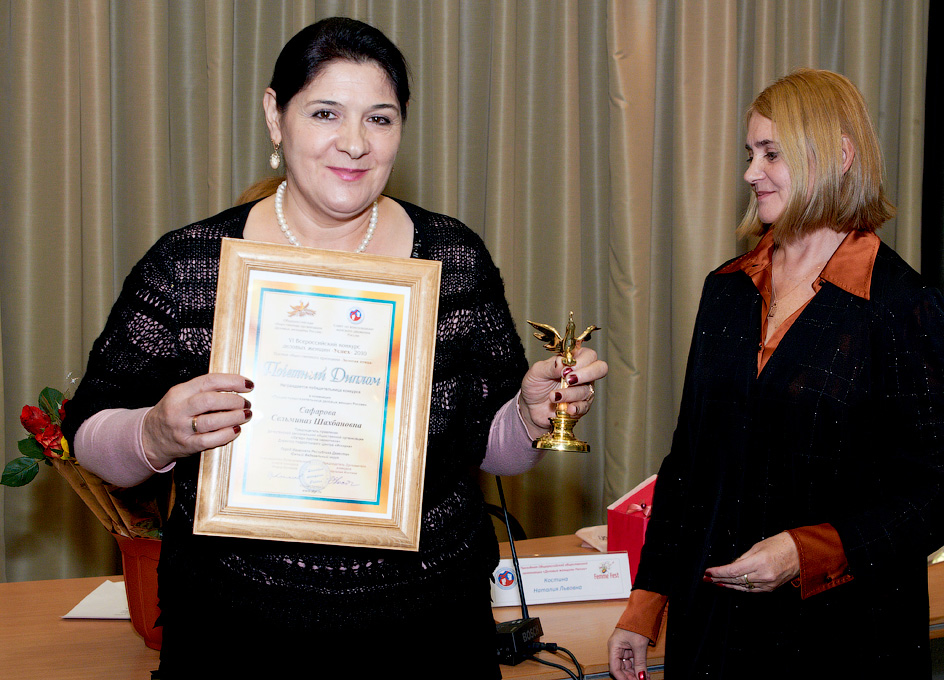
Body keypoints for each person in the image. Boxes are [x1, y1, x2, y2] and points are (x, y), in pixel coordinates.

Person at [62, 17, 606, 678]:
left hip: (429, 630)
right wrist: (155, 433)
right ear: (275, 115)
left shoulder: (452, 259)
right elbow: (89, 434)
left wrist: (529, 414)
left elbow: (491, 446)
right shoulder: (189, 264)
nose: (354, 143)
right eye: (325, 113)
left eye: (380, 119)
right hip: (234, 631)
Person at [607, 69, 944, 679]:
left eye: (771, 153)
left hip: (845, 637)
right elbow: (688, 465)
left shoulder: (900, 307)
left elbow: (940, 492)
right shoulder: (725, 289)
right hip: (715, 632)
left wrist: (807, 552)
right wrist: (646, 603)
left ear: (840, 155)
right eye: (750, 153)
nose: (751, 172)